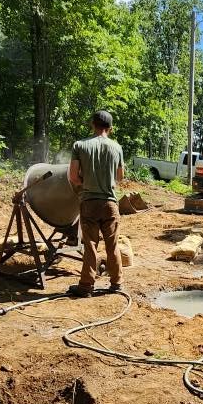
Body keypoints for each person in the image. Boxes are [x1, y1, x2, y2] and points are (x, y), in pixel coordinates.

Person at [67, 110, 124, 296]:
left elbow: (73, 177)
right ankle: (116, 284)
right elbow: (120, 177)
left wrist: (86, 182)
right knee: (112, 245)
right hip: (110, 204)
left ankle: (86, 286)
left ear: (92, 124)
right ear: (110, 128)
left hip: (89, 203)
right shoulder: (117, 147)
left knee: (90, 245)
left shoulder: (79, 145)